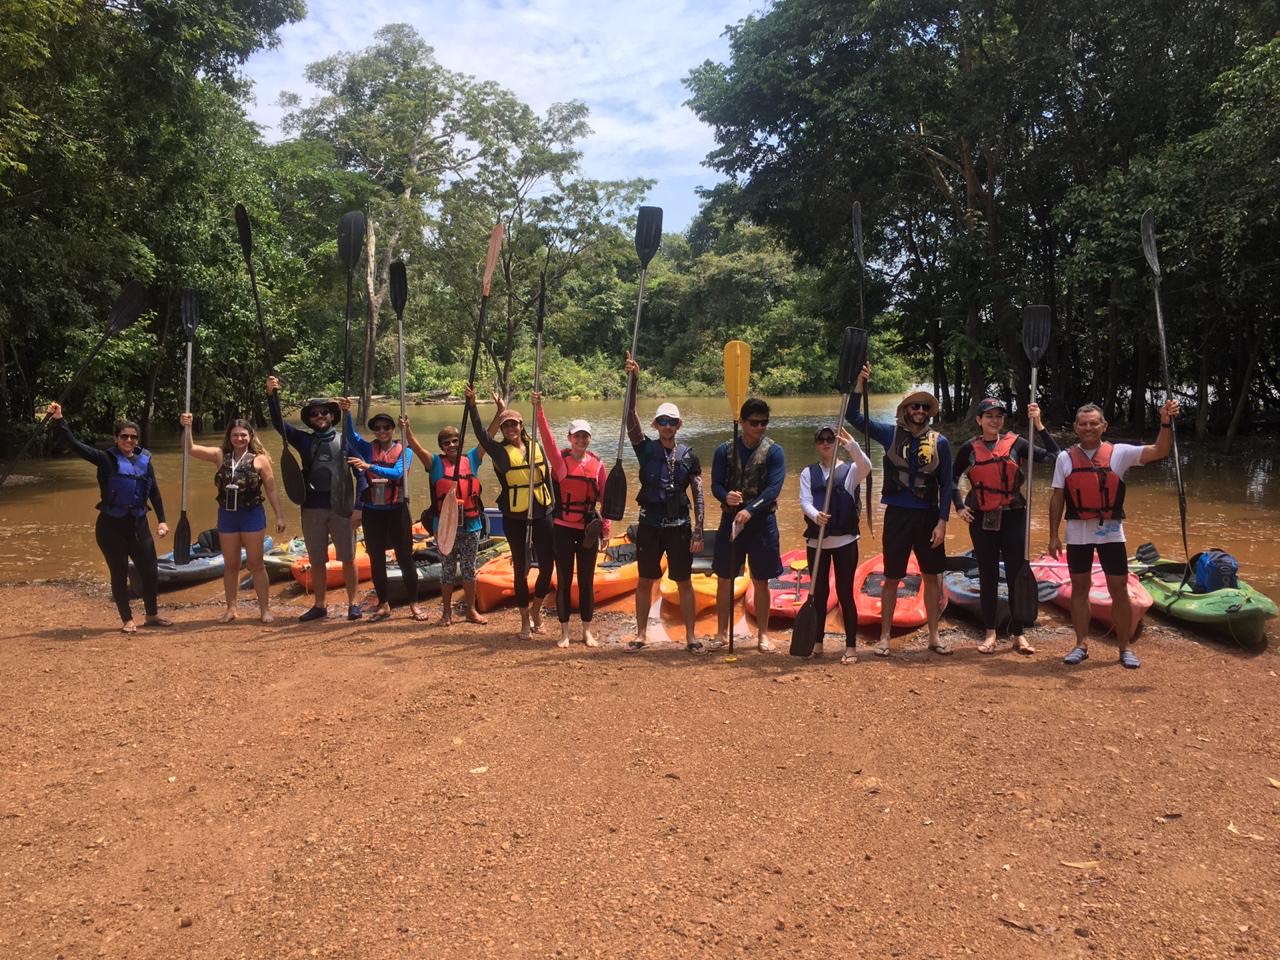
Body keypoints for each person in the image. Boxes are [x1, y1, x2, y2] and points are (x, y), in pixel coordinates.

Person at [1049, 399, 1180, 669]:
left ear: (1104, 426)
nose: (1088, 428)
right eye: (1083, 424)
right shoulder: (1064, 458)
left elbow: (1160, 450)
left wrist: (1165, 422)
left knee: (1118, 588)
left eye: (1093, 423)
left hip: (1110, 532)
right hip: (1078, 533)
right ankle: (1080, 644)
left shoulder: (1119, 453)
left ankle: (1124, 647)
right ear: (1075, 427)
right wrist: (1053, 535)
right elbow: (1057, 497)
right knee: (1080, 588)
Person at [847, 364, 955, 657]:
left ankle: (934, 636)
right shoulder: (889, 434)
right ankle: (884, 637)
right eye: (914, 406)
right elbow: (854, 417)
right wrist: (859, 384)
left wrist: (943, 522)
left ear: (929, 413)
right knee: (892, 577)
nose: (919, 411)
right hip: (897, 515)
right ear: (906, 410)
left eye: (924, 407)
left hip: (928, 516)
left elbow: (947, 485)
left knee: (931, 577)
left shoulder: (941, 443)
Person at [47, 402, 172, 633]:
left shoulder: (145, 461)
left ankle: (152, 615)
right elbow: (74, 445)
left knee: (150, 570)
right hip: (111, 527)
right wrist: (59, 420)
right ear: (116, 438)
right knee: (119, 572)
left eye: (133, 437)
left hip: (138, 524)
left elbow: (154, 492)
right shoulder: (104, 459)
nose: (129, 440)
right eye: (124, 436)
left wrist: (162, 520)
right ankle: (127, 619)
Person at [952, 397, 1060, 654]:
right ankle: (990, 633)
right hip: (982, 519)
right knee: (988, 575)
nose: (994, 420)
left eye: (999, 416)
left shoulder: (1018, 444)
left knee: (1015, 574)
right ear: (979, 420)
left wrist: (1039, 424)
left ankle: (1018, 633)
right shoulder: (969, 448)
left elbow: (1054, 456)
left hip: (1013, 517)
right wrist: (959, 506)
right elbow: (951, 478)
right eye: (989, 416)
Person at [622, 354, 708, 654]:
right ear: (655, 425)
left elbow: (698, 494)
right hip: (649, 525)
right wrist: (633, 380)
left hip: (680, 527)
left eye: (672, 422)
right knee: (645, 580)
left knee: (684, 582)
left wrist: (699, 531)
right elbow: (628, 416)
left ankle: (691, 637)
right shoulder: (645, 449)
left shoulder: (689, 455)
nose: (667, 426)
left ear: (679, 425)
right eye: (662, 422)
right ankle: (641, 634)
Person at [266, 376, 364, 622]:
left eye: (324, 412)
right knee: (317, 559)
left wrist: (359, 507)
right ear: (309, 419)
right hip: (311, 507)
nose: (320, 416)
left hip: (342, 507)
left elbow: (361, 474)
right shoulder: (304, 440)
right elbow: (279, 425)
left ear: (332, 415)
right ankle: (320, 605)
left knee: (348, 558)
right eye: (314, 414)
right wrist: (271, 396)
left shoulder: (346, 441)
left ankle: (353, 604)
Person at [401, 401, 502, 626]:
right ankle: (446, 613)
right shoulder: (435, 463)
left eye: (455, 441)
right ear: (442, 446)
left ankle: (471, 611)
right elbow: (416, 448)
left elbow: (488, 438)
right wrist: (407, 430)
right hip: (445, 527)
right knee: (447, 570)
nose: (451, 445)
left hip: (471, 525)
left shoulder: (472, 459)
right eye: (446, 443)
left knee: (468, 569)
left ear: (460, 442)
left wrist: (500, 412)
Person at [179, 413, 287, 623]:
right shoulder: (220, 455)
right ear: (229, 437)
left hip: (252, 515)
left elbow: (272, 489)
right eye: (235, 435)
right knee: (231, 565)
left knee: (256, 564)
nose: (239, 438)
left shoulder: (260, 459)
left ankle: (265, 610)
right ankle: (231, 609)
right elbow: (189, 449)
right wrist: (187, 427)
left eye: (243, 435)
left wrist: (280, 516)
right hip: (227, 516)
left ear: (250, 436)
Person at [466, 384, 555, 640]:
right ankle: (525, 619)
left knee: (547, 565)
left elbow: (547, 479)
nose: (510, 429)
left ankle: (536, 609)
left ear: (521, 425)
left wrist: (554, 508)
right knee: (521, 568)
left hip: (542, 511)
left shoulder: (536, 446)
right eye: (506, 426)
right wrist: (472, 406)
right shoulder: (499, 452)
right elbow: (482, 435)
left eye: (514, 424)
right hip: (515, 516)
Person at [533, 393, 612, 648]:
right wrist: (539, 409)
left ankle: (587, 632)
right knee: (565, 581)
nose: (581, 440)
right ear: (569, 438)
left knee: (587, 581)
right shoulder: (561, 462)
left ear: (589, 439)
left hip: (588, 531)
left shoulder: (598, 465)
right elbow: (547, 439)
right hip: (563, 529)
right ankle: (564, 632)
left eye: (585, 436)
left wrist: (606, 530)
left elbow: (606, 500)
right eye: (577, 436)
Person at [340, 401, 426, 622]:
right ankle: (383, 603)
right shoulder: (368, 449)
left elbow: (397, 473)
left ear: (393, 429)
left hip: (397, 510)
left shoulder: (405, 451)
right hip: (373, 511)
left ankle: (414, 604)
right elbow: (351, 436)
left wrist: (369, 467)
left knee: (405, 557)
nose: (382, 431)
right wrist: (347, 412)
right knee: (376, 558)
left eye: (386, 427)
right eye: (377, 428)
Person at [712, 397, 786, 652]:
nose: (760, 427)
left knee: (761, 580)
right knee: (724, 578)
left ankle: (762, 635)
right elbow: (716, 484)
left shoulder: (774, 451)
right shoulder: (724, 450)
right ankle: (721, 633)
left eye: (764, 422)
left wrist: (750, 510)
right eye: (754, 423)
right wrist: (726, 496)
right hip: (730, 521)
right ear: (742, 422)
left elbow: (773, 489)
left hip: (762, 524)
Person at [798, 425, 872, 664]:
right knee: (819, 594)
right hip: (817, 542)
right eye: (821, 440)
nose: (826, 443)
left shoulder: (850, 471)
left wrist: (852, 446)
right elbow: (805, 501)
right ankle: (817, 642)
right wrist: (815, 515)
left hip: (845, 542)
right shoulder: (808, 473)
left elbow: (867, 467)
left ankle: (850, 647)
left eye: (830, 439)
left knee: (845, 593)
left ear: (836, 443)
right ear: (816, 444)